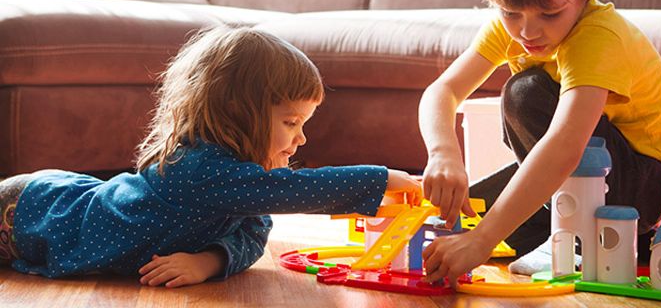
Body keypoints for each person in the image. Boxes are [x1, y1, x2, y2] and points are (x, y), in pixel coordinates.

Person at [0, 26, 421, 287]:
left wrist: (209, 260)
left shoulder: (244, 185)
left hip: (70, 197)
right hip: (36, 206)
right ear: (240, 113)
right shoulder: (197, 167)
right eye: (291, 122)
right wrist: (382, 178)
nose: (302, 138)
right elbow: (292, 191)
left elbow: (255, 233)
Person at [419, 0, 661, 285]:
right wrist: (443, 152)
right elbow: (442, 90)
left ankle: (583, 238)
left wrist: (481, 241)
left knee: (524, 92)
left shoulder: (598, 37)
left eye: (550, 13)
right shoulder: (514, 26)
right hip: (576, 177)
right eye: (510, 12)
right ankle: (585, 237)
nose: (528, 31)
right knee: (469, 213)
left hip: (639, 186)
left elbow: (564, 145)